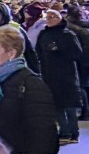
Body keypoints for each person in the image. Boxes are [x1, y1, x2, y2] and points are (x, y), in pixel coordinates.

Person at [35, 10, 84, 146]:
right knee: (57, 105)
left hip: (66, 75)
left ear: (59, 18)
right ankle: (64, 132)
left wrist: (59, 50)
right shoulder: (44, 34)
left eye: (53, 17)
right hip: (49, 74)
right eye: (47, 17)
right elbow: (38, 52)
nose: (49, 19)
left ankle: (73, 132)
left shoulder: (68, 34)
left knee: (69, 105)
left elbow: (77, 53)